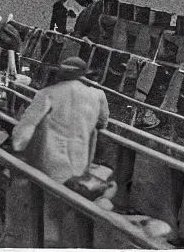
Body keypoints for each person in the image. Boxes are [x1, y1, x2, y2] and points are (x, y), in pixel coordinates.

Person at [10, 55, 110, 185]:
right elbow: (103, 123)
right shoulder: (98, 95)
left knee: (39, 195)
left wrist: (18, 147)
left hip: (49, 162)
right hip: (79, 163)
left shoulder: (47, 93)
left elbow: (27, 125)